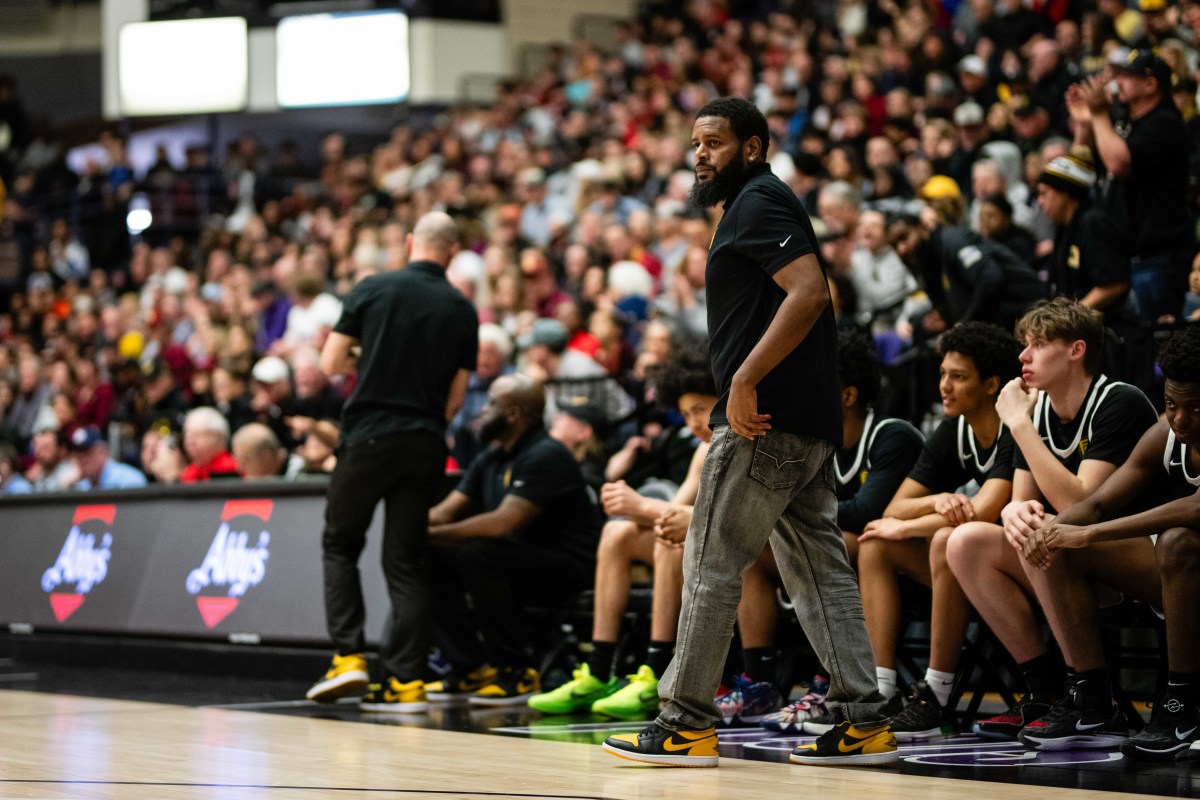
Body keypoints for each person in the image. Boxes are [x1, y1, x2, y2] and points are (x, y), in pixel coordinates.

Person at [603, 98, 897, 768]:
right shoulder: (754, 204)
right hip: (803, 420)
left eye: (712, 142)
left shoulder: (760, 202)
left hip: (764, 418)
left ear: (753, 147)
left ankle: (684, 719)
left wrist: (741, 380)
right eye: (695, 143)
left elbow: (810, 293)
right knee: (820, 572)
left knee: (709, 562)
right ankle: (865, 719)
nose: (699, 155)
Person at [942, 299, 1157, 744]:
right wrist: (1011, 510)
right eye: (1025, 345)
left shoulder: (1119, 401)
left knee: (1050, 535)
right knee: (966, 542)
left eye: (1037, 345)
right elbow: (1022, 502)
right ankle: (1046, 690)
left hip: (1151, 556)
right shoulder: (1036, 412)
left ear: (1076, 350)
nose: (1024, 356)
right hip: (1074, 558)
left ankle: (1096, 701)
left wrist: (1019, 425)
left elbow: (1082, 503)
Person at [306, 211, 478, 713]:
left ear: (409, 243)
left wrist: (369, 355)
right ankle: (406, 680)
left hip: (369, 439)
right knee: (405, 561)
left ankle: (349, 658)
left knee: (340, 544)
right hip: (425, 441)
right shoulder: (462, 309)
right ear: (451, 251)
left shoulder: (372, 288)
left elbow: (329, 363)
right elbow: (456, 396)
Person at [1019, 325, 1200, 758]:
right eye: (1171, 404)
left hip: (1187, 561)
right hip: (1184, 579)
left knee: (1176, 542)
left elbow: (1197, 507)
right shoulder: (1166, 433)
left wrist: (1090, 533)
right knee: (1063, 543)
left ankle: (1182, 706)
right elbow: (1098, 503)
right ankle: (1094, 698)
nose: (1179, 419)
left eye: (1194, 408)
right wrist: (1052, 531)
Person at [526, 346, 717, 720]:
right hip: (705, 543)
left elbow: (723, 519)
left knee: (669, 546)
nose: (693, 422)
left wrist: (642, 507)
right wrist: (642, 514)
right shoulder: (701, 450)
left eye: (700, 410)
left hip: (742, 548)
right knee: (618, 534)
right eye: (686, 414)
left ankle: (658, 673)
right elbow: (675, 512)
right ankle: (599, 671)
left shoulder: (739, 441)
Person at [856, 321, 1021, 738]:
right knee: (875, 543)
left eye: (959, 377)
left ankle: (938, 693)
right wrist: (936, 501)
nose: (944, 385)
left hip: (1020, 566)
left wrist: (907, 526)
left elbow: (984, 511)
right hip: (969, 562)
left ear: (991, 385)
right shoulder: (953, 430)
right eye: (944, 373)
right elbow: (897, 507)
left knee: (942, 539)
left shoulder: (1015, 427)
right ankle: (881, 689)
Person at [754, 331, 926, 733]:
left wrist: (785, 513)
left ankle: (839, 681)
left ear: (847, 396)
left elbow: (868, 512)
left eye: (814, 381)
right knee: (755, 548)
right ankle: (758, 682)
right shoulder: (818, 441)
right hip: (848, 555)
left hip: (906, 559)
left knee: (836, 544)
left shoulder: (892, 436)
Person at [424, 374, 602, 706]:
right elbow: (445, 512)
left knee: (478, 553)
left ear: (514, 414)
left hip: (568, 566)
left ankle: (517, 671)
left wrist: (432, 534)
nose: (482, 411)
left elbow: (502, 524)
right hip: (518, 558)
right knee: (429, 556)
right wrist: (409, 529)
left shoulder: (546, 454)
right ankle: (471, 667)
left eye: (492, 403)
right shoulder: (492, 457)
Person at [1068, 50, 1190, 322]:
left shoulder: (1165, 122)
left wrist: (1099, 114)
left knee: (1158, 348)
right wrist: (1083, 124)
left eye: (1127, 76)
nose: (1118, 82)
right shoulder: (1125, 122)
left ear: (1150, 85)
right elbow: (1080, 167)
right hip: (1128, 256)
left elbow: (1119, 164)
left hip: (1156, 258)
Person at [67, 426, 148, 490]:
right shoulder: (79, 484)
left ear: (102, 451)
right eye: (77, 454)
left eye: (86, 453)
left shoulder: (129, 479)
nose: (81, 459)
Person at [180, 407, 241, 483]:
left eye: (197, 435)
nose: (190, 442)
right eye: (188, 436)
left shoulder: (232, 469)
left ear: (217, 437)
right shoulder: (190, 472)